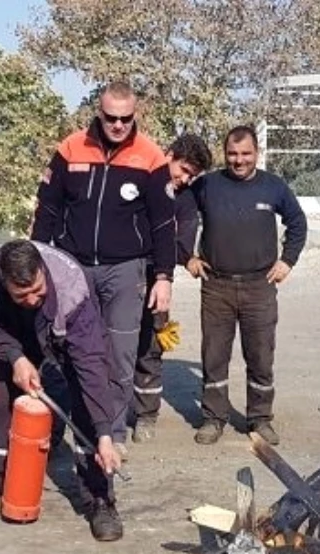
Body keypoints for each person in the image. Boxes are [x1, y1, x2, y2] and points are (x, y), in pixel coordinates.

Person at [30, 81, 180, 456]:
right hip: (74, 267)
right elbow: (47, 209)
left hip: (126, 270)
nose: (117, 126)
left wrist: (163, 277)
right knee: (71, 348)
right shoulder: (70, 148)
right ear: (99, 112)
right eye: (110, 118)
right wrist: (39, 262)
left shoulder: (151, 157)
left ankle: (112, 432)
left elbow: (164, 223)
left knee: (120, 352)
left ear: (135, 115)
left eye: (125, 119)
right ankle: (74, 425)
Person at [0, 239, 126, 542]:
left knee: (87, 401)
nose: (33, 299)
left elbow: (91, 368)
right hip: (14, 330)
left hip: (69, 331)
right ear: (4, 283)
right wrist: (16, 357)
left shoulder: (71, 287)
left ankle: (100, 498)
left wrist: (105, 434)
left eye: (38, 289)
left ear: (43, 272)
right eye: (22, 294)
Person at [187, 125, 308, 446]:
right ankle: (213, 418)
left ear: (257, 153)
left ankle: (260, 419)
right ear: (224, 153)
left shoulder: (274, 187)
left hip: (260, 286)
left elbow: (297, 223)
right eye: (232, 154)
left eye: (245, 154)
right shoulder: (207, 185)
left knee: (260, 356)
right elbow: (180, 213)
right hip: (217, 286)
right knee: (214, 356)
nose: (239, 161)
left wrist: (288, 261)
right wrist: (187, 256)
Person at [131, 133, 213, 442]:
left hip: (158, 281)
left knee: (151, 345)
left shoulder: (186, 199)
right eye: (183, 170)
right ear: (169, 154)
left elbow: (183, 243)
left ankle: (145, 415)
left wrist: (189, 258)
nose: (185, 179)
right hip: (123, 273)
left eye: (192, 175)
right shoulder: (138, 181)